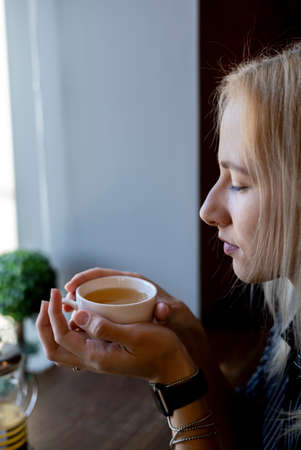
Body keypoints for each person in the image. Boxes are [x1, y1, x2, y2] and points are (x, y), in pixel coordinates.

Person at [36, 41, 301, 449]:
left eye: (240, 183)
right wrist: (191, 345)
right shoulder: (292, 321)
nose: (208, 210)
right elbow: (249, 436)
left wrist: (174, 380)